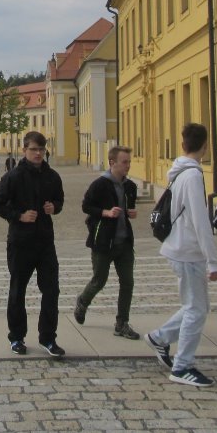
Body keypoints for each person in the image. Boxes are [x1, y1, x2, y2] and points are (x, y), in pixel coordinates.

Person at [144, 123, 217, 387]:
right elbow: (200, 221)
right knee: (195, 310)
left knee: (197, 306)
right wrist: (213, 261)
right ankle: (182, 366)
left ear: (182, 144)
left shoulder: (179, 172)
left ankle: (160, 338)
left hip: (180, 247)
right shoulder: (192, 176)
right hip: (188, 250)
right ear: (205, 146)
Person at [0, 131, 65, 358]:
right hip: (20, 241)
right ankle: (16, 337)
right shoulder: (14, 176)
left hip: (45, 241)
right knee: (17, 291)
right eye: (33, 149)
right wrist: (18, 216)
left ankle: (48, 338)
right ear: (24, 150)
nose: (38, 153)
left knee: (51, 290)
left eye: (41, 149)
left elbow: (59, 200)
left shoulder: (52, 176)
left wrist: (54, 207)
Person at [75, 146, 140, 340]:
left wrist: (130, 213)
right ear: (112, 163)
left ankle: (122, 323)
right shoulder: (100, 185)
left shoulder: (130, 186)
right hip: (103, 242)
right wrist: (106, 212)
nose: (128, 165)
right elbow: (86, 206)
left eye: (129, 162)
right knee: (99, 280)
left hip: (124, 242)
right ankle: (83, 301)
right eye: (124, 162)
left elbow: (129, 208)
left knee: (127, 282)